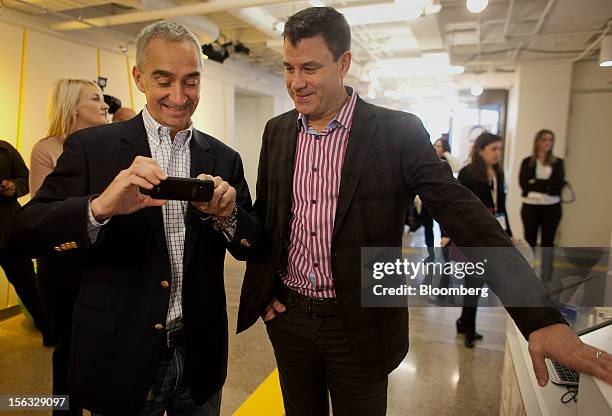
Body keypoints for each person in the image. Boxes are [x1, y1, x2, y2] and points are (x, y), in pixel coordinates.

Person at [237, 7, 612, 416]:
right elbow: (271, 221)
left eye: (309, 68)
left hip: (359, 326)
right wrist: (266, 292)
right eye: (288, 68)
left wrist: (540, 319)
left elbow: (464, 216)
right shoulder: (277, 132)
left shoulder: (397, 132)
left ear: (344, 63)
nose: (295, 82)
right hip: (290, 320)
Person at [8, 21, 263, 416]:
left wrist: (228, 216)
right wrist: (98, 209)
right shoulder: (92, 148)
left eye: (191, 81)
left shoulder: (223, 157)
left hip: (199, 355)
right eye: (164, 80)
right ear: (139, 77)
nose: (179, 96)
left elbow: (253, 244)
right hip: (119, 354)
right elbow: (21, 232)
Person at [30, 78, 109, 416]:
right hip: (62, 266)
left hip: (103, 262)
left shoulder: (109, 148)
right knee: (68, 351)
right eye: (96, 99)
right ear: (73, 106)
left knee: (105, 350)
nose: (105, 105)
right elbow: (44, 214)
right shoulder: (46, 149)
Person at [453, 133, 512, 348]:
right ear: (481, 150)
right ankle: (469, 328)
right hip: (474, 235)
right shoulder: (468, 174)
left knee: (477, 283)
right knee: (474, 283)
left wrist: (509, 233)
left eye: (499, 149)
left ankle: (463, 321)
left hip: (495, 231)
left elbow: (502, 207)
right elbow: (458, 207)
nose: (498, 153)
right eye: (494, 149)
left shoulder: (497, 172)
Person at [0, 140, 52, 345]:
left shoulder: (5, 150)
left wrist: (13, 187)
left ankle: (49, 329)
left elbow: (25, 178)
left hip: (6, 231)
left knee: (29, 284)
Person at [519, 129, 564, 285]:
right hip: (530, 206)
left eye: (550, 140)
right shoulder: (527, 162)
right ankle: (528, 275)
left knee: (548, 243)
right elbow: (523, 184)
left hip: (552, 207)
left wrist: (536, 183)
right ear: (537, 141)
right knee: (529, 241)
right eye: (544, 139)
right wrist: (546, 186)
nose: (547, 143)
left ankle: (546, 279)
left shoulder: (558, 163)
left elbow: (558, 185)